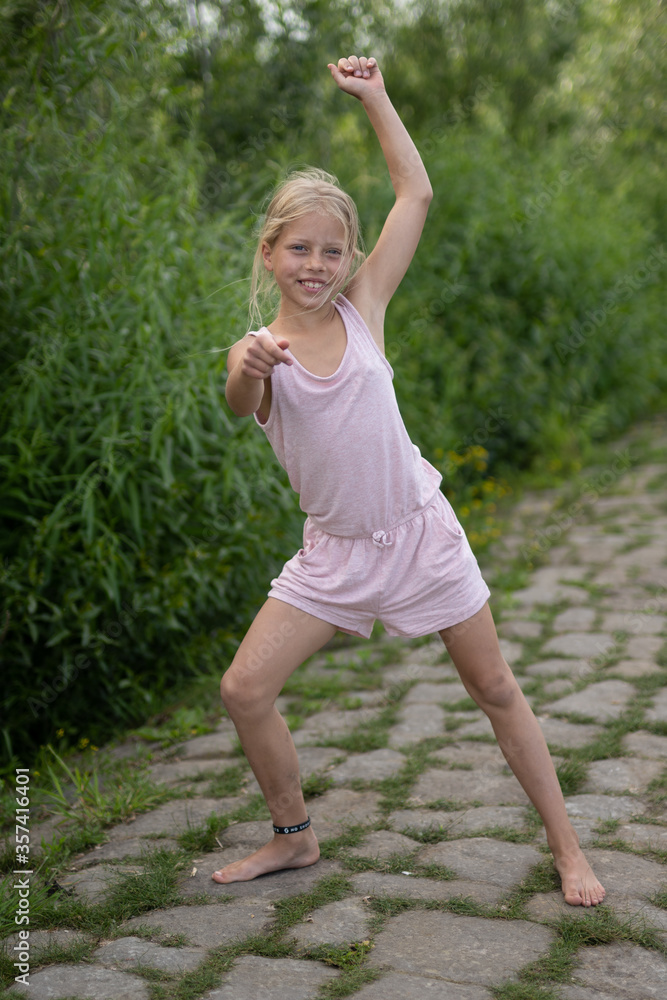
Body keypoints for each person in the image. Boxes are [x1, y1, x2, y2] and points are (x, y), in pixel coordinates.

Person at [212, 55, 605, 907]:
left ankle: (567, 847)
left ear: (349, 255)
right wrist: (245, 364)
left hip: (419, 530)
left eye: (331, 249)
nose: (315, 264)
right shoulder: (258, 353)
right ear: (269, 253)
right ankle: (293, 835)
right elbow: (241, 401)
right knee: (244, 689)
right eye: (298, 249)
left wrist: (375, 96)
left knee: (494, 686)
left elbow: (414, 194)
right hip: (336, 557)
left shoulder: (363, 307)